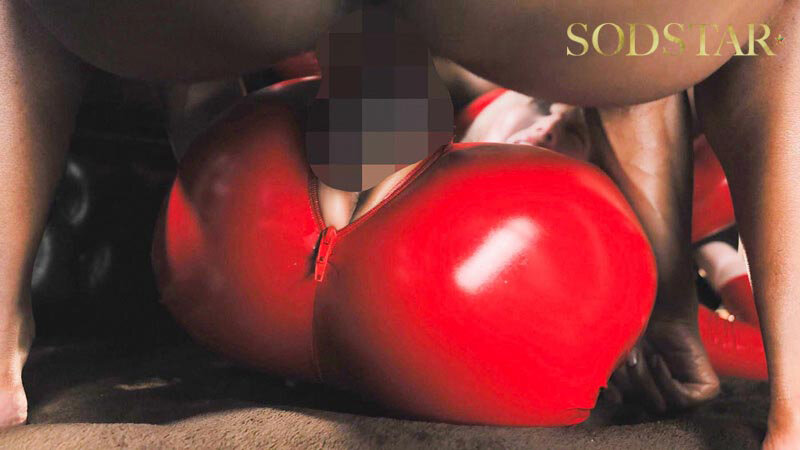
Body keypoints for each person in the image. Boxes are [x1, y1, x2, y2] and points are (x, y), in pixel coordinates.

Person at [2, 1, 799, 446]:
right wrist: (670, 310)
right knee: (770, 26)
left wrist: (217, 172)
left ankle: (3, 335)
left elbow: (204, 89)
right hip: (545, 34)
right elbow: (631, 96)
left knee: (32, 14)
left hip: (307, 99)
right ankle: (793, 412)